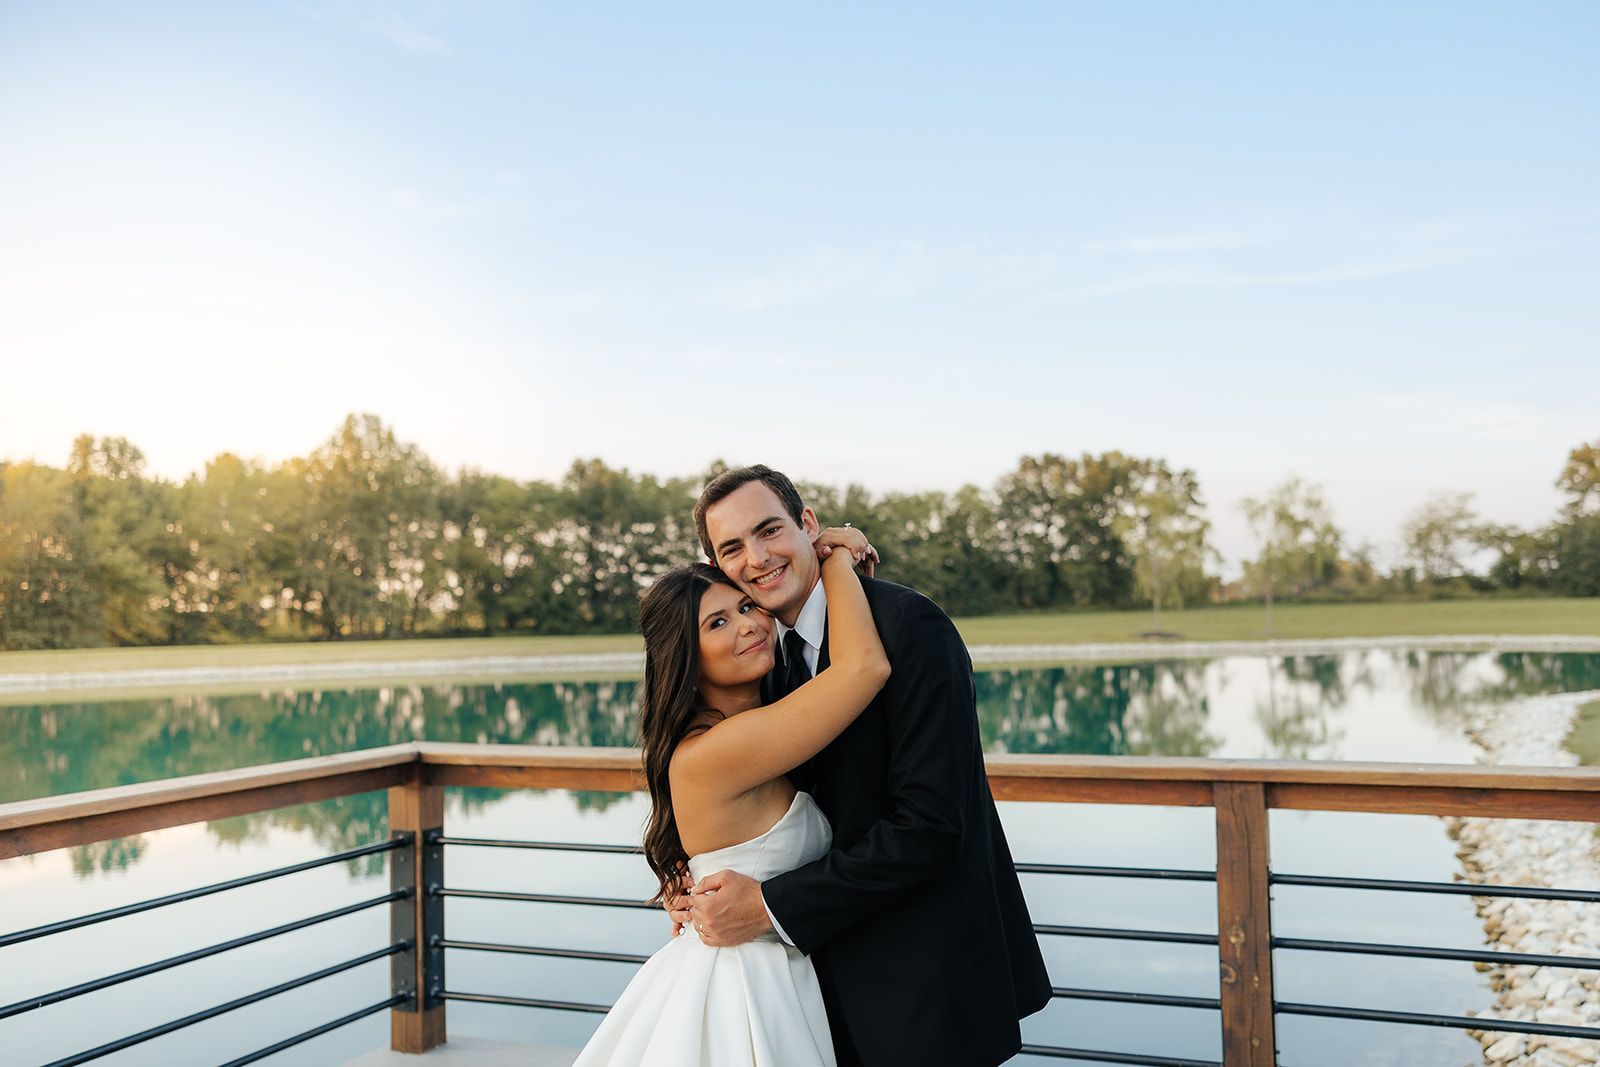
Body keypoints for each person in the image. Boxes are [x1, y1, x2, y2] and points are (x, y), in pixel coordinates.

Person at [673, 465, 1051, 1067]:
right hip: (816, 985)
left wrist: (767, 906)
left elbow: (930, 825)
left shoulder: (910, 628)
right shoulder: (761, 658)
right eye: (732, 548)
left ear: (808, 525)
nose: (757, 557)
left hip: (926, 984)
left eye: (770, 530)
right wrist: (695, 877)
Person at [573, 523, 886, 1066]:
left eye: (746, 607)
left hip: (774, 973)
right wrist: (835, 556)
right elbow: (864, 667)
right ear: (686, 656)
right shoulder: (720, 748)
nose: (748, 626)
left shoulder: (755, 725)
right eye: (718, 622)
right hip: (741, 988)